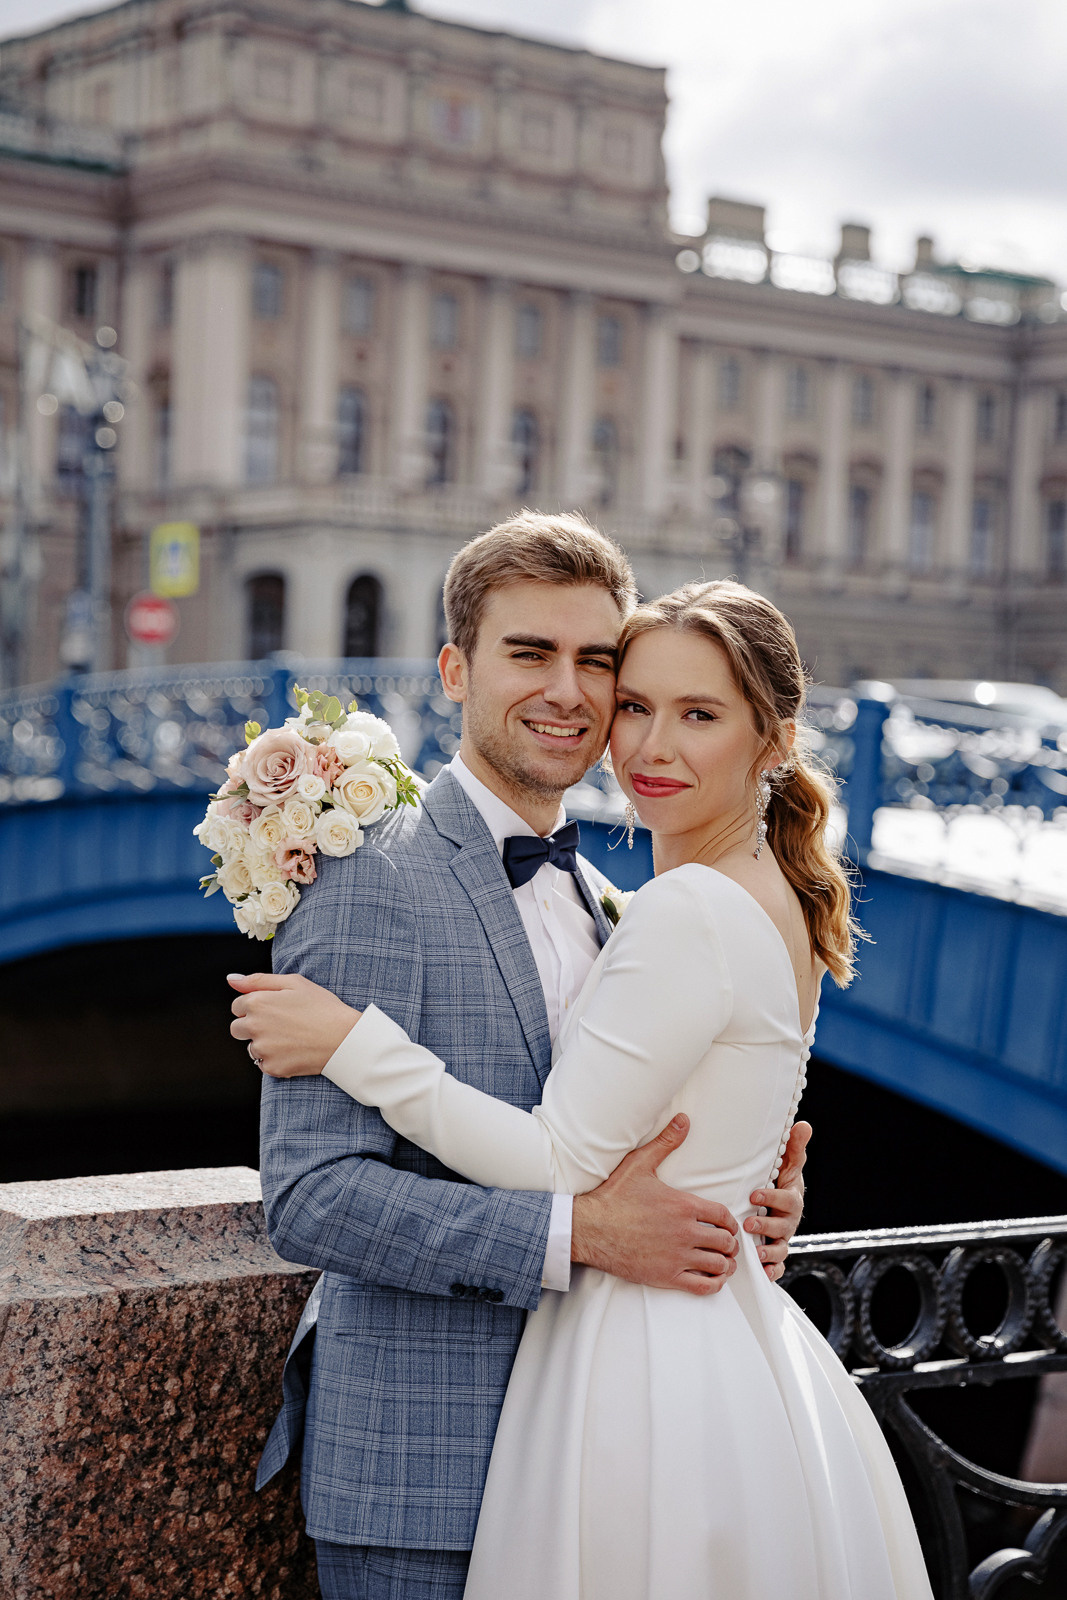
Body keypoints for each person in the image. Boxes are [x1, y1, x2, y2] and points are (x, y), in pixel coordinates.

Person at [237, 576, 935, 1598]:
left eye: (693, 712)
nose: (644, 741)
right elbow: (310, 1197)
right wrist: (677, 1203)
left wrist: (356, 1046)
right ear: (455, 669)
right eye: (636, 703)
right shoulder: (382, 875)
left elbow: (570, 1153)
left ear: (773, 742)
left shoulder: (655, 905)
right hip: (429, 1461)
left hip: (628, 1397)